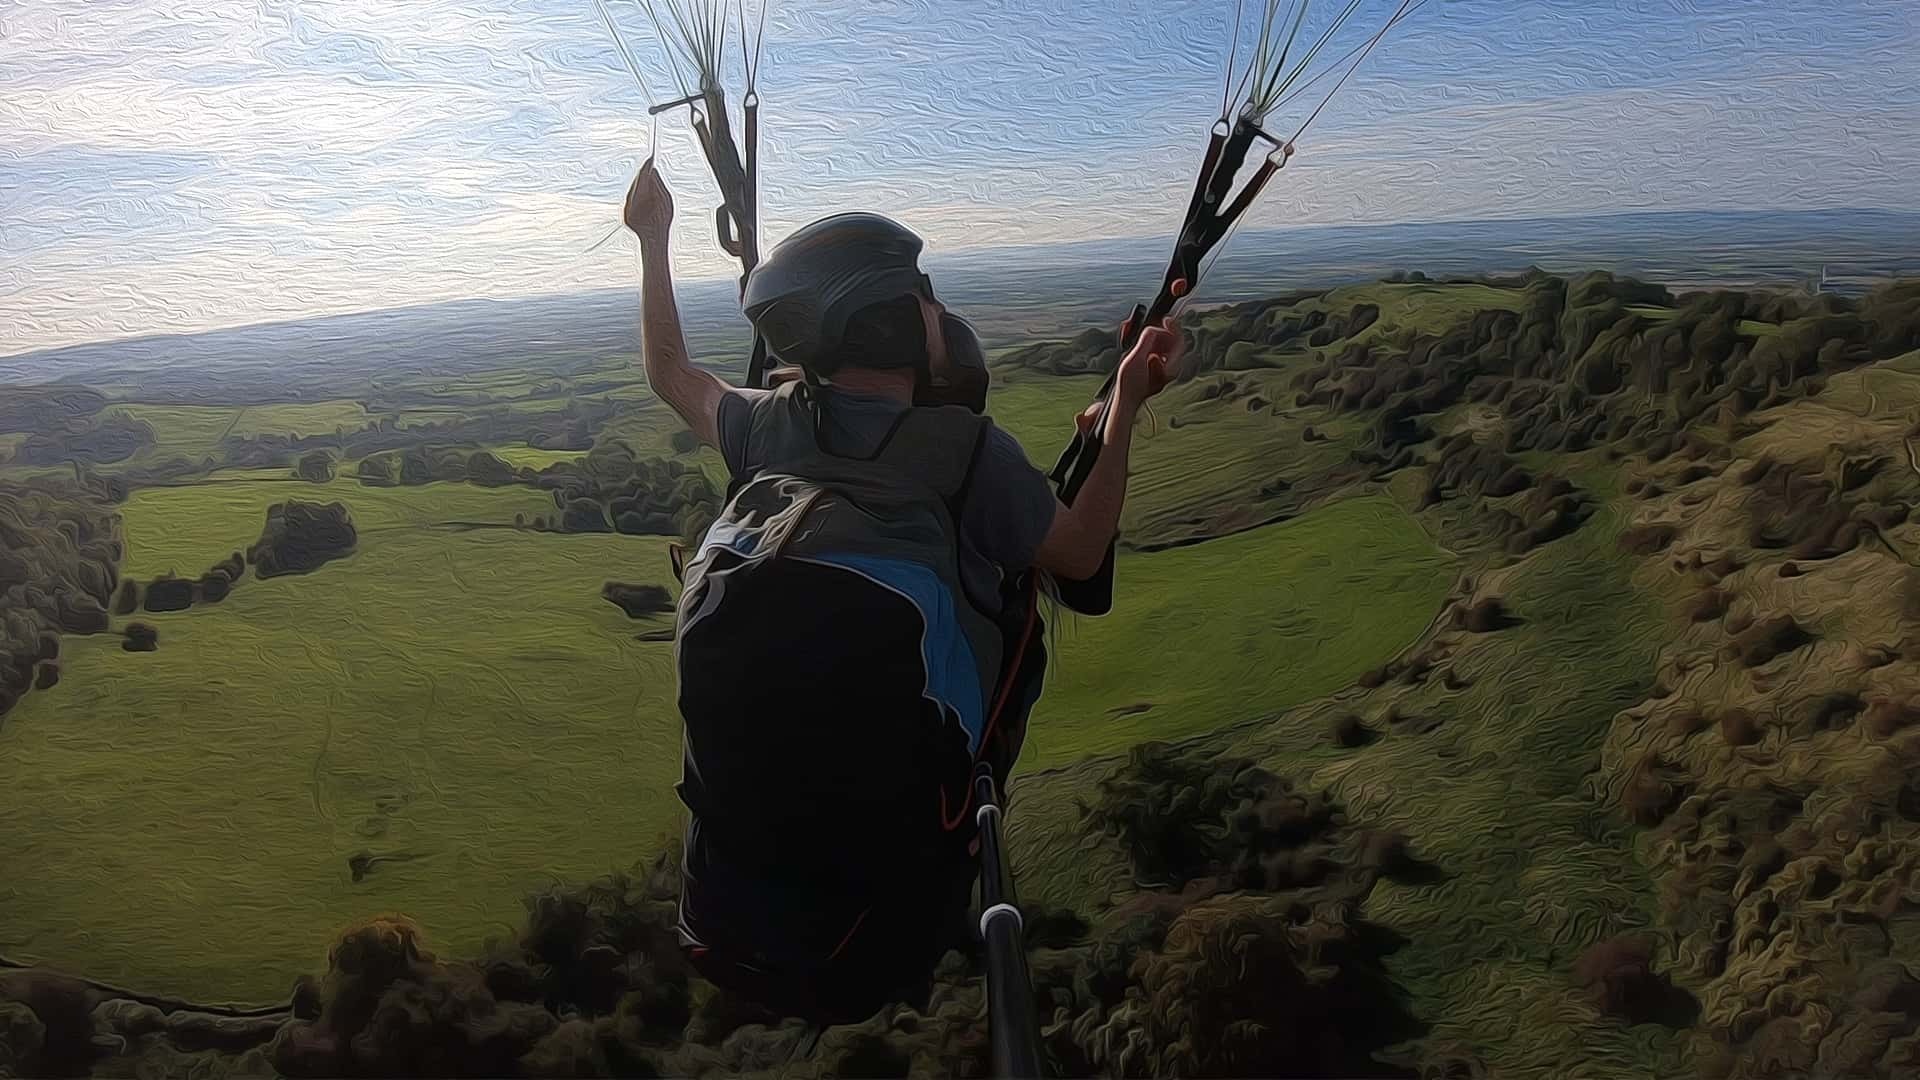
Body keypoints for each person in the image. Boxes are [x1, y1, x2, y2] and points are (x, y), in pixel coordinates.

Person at [622, 158, 1178, 1022]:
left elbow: (670, 371)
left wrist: (652, 240)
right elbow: (1078, 553)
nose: (938, 309)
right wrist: (1130, 405)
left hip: (720, 914)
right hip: (881, 939)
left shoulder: (762, 424)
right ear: (883, 318)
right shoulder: (963, 451)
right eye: (922, 295)